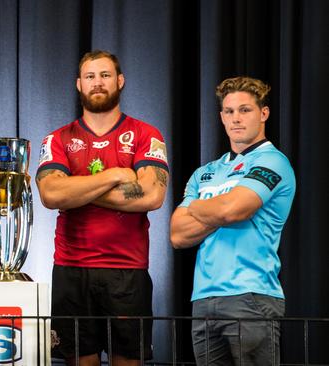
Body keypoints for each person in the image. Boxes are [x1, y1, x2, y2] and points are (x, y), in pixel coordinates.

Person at [36, 50, 169, 366]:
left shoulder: (146, 134)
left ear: (120, 81)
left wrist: (76, 188)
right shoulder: (58, 138)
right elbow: (51, 194)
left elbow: (151, 195)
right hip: (71, 270)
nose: (98, 83)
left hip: (127, 272)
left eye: (105, 75)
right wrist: (113, 176)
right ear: (78, 84)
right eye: (90, 76)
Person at [170, 76, 295, 365]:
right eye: (229, 111)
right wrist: (221, 208)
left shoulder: (272, 161)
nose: (236, 118)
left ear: (263, 113)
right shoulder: (206, 172)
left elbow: (234, 210)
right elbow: (177, 234)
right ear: (221, 117)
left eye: (245, 110)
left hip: (251, 297)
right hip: (202, 299)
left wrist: (199, 207)